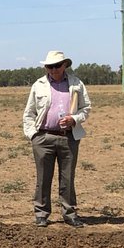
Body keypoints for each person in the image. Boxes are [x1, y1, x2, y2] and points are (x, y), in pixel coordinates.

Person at [22, 50, 92, 227]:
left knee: (67, 177)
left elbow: (86, 108)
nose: (53, 69)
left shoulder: (76, 84)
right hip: (43, 137)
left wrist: (74, 119)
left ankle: (69, 213)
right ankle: (41, 214)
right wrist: (33, 135)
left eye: (56, 66)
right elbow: (29, 113)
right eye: (49, 66)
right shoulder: (38, 85)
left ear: (64, 65)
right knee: (43, 178)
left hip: (69, 138)